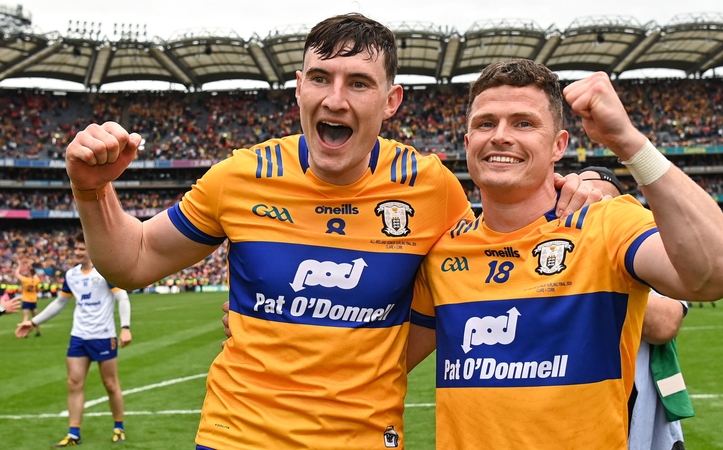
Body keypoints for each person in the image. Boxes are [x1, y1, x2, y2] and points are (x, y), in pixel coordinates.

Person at [63, 14, 597, 450]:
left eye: (359, 83)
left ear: (391, 101)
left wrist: (599, 183)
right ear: (298, 89)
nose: (335, 99)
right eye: (320, 78)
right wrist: (91, 192)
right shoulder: (241, 175)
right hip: (237, 437)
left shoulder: (432, 189)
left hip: (364, 439)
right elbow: (131, 261)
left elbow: (496, 260)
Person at [407, 59, 723, 449]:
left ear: (558, 145)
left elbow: (719, 275)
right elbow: (382, 361)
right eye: (485, 123)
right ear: (467, 143)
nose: (500, 136)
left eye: (523, 123)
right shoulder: (443, 252)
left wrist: (628, 143)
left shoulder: (606, 223)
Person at [578, 167, 693, 450]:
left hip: (644, 415)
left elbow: (665, 324)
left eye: (605, 202)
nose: (594, 207)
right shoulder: (553, 252)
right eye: (582, 197)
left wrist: (588, 280)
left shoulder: (643, 251)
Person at [16, 232, 132, 447]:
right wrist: (33, 322)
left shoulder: (105, 272)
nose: (78, 253)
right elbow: (59, 303)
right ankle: (73, 433)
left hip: (104, 336)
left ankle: (119, 427)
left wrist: (125, 327)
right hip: (79, 336)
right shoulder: (71, 275)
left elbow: (122, 297)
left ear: (92, 249)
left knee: (110, 384)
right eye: (76, 249)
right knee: (74, 383)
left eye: (82, 249)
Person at [15, 261, 42, 336]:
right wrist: (30, 266)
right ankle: (38, 331)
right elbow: (35, 274)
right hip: (33, 300)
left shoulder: (26, 280)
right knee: (35, 317)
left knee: (25, 317)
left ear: (30, 273)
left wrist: (19, 266)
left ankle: (25, 332)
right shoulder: (36, 280)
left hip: (26, 300)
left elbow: (17, 274)